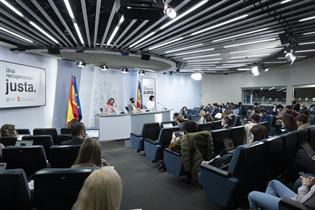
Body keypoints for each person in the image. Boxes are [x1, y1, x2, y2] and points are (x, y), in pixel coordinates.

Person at [248, 178, 315, 210]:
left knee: (251, 195)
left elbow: (302, 201)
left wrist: (305, 185)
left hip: (294, 206)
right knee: (273, 183)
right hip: (301, 201)